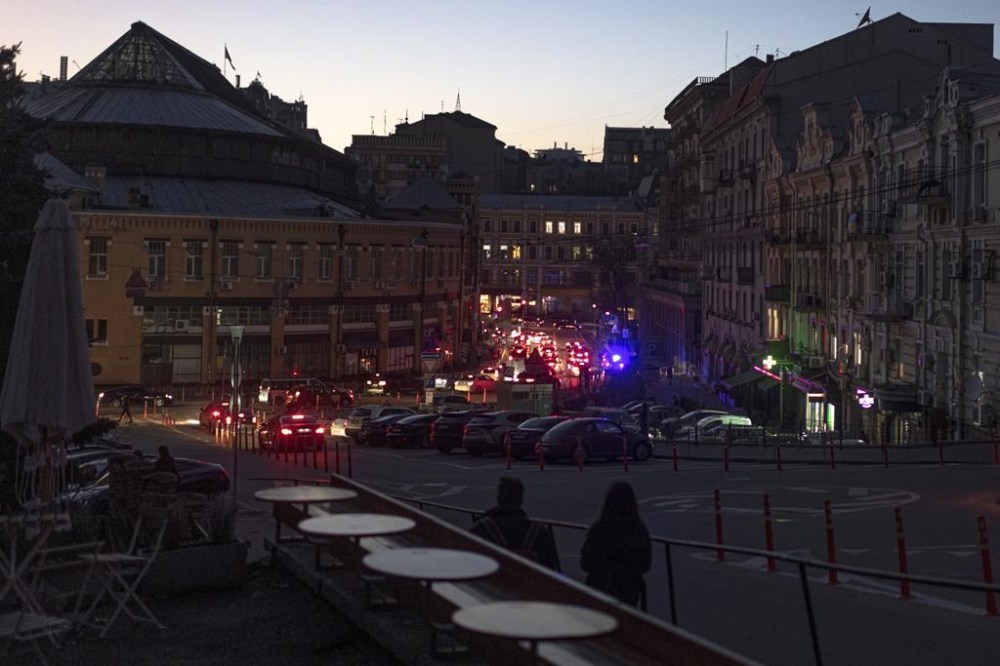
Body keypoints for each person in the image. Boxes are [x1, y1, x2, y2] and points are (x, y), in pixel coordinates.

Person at [580, 481, 651, 607]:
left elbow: (586, 563)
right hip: (628, 590)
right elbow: (645, 565)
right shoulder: (637, 530)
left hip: (599, 588)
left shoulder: (599, 529)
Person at [470, 477, 560, 571]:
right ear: (521, 499)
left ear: (499, 498)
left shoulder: (481, 530)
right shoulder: (539, 532)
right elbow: (551, 569)